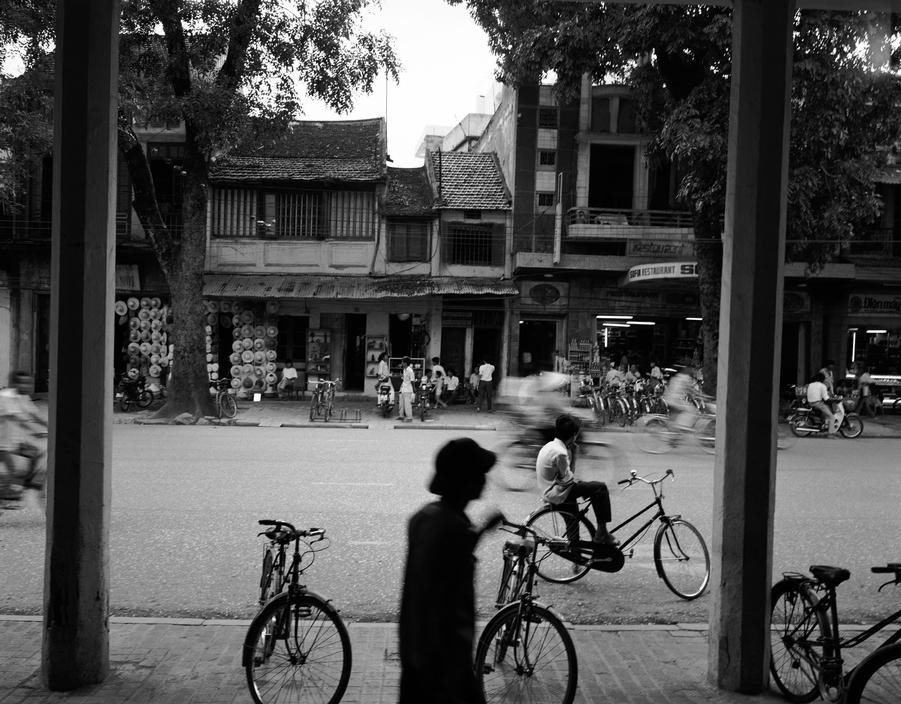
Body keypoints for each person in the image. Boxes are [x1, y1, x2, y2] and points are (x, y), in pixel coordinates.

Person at [399, 438, 501, 704]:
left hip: (417, 656)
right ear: (465, 481)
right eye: (478, 475)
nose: (483, 481)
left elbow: (455, 548)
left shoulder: (425, 518)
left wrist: (482, 530)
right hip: (442, 667)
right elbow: (445, 604)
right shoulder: (451, 527)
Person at [535, 414, 617, 563]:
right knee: (600, 488)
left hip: (551, 488)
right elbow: (567, 479)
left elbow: (566, 475)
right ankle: (602, 533)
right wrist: (575, 456)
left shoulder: (551, 446)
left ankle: (577, 558)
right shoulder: (561, 453)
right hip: (557, 492)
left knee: (573, 521)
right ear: (574, 435)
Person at [0, 371, 48, 500]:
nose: (26, 386)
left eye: (28, 382)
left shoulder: (22, 396)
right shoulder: (5, 397)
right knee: (14, 470)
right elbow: (16, 418)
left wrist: (51, 426)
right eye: (21, 382)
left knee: (36, 453)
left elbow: (34, 414)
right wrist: (34, 431)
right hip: (2, 445)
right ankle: (6, 497)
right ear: (13, 383)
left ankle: (22, 485)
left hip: (14, 443)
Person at [663, 364, 698, 430]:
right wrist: (701, 395)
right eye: (694, 370)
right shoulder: (687, 378)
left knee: (675, 415)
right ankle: (682, 427)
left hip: (667, 399)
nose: (695, 372)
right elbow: (691, 390)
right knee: (693, 411)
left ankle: (674, 429)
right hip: (676, 400)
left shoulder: (677, 377)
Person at [807, 371, 841, 436]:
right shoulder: (822, 385)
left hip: (810, 403)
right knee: (832, 417)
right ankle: (831, 434)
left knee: (827, 409)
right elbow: (826, 398)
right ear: (822, 379)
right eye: (824, 379)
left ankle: (825, 424)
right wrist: (834, 399)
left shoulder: (811, 384)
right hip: (818, 404)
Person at [398, 356, 416, 422]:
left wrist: (414, 389)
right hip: (403, 388)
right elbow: (404, 380)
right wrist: (401, 388)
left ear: (405, 363)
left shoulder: (410, 370)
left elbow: (412, 380)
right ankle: (401, 416)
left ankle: (409, 418)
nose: (402, 363)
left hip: (408, 389)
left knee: (407, 404)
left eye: (402, 362)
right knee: (401, 403)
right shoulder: (404, 369)